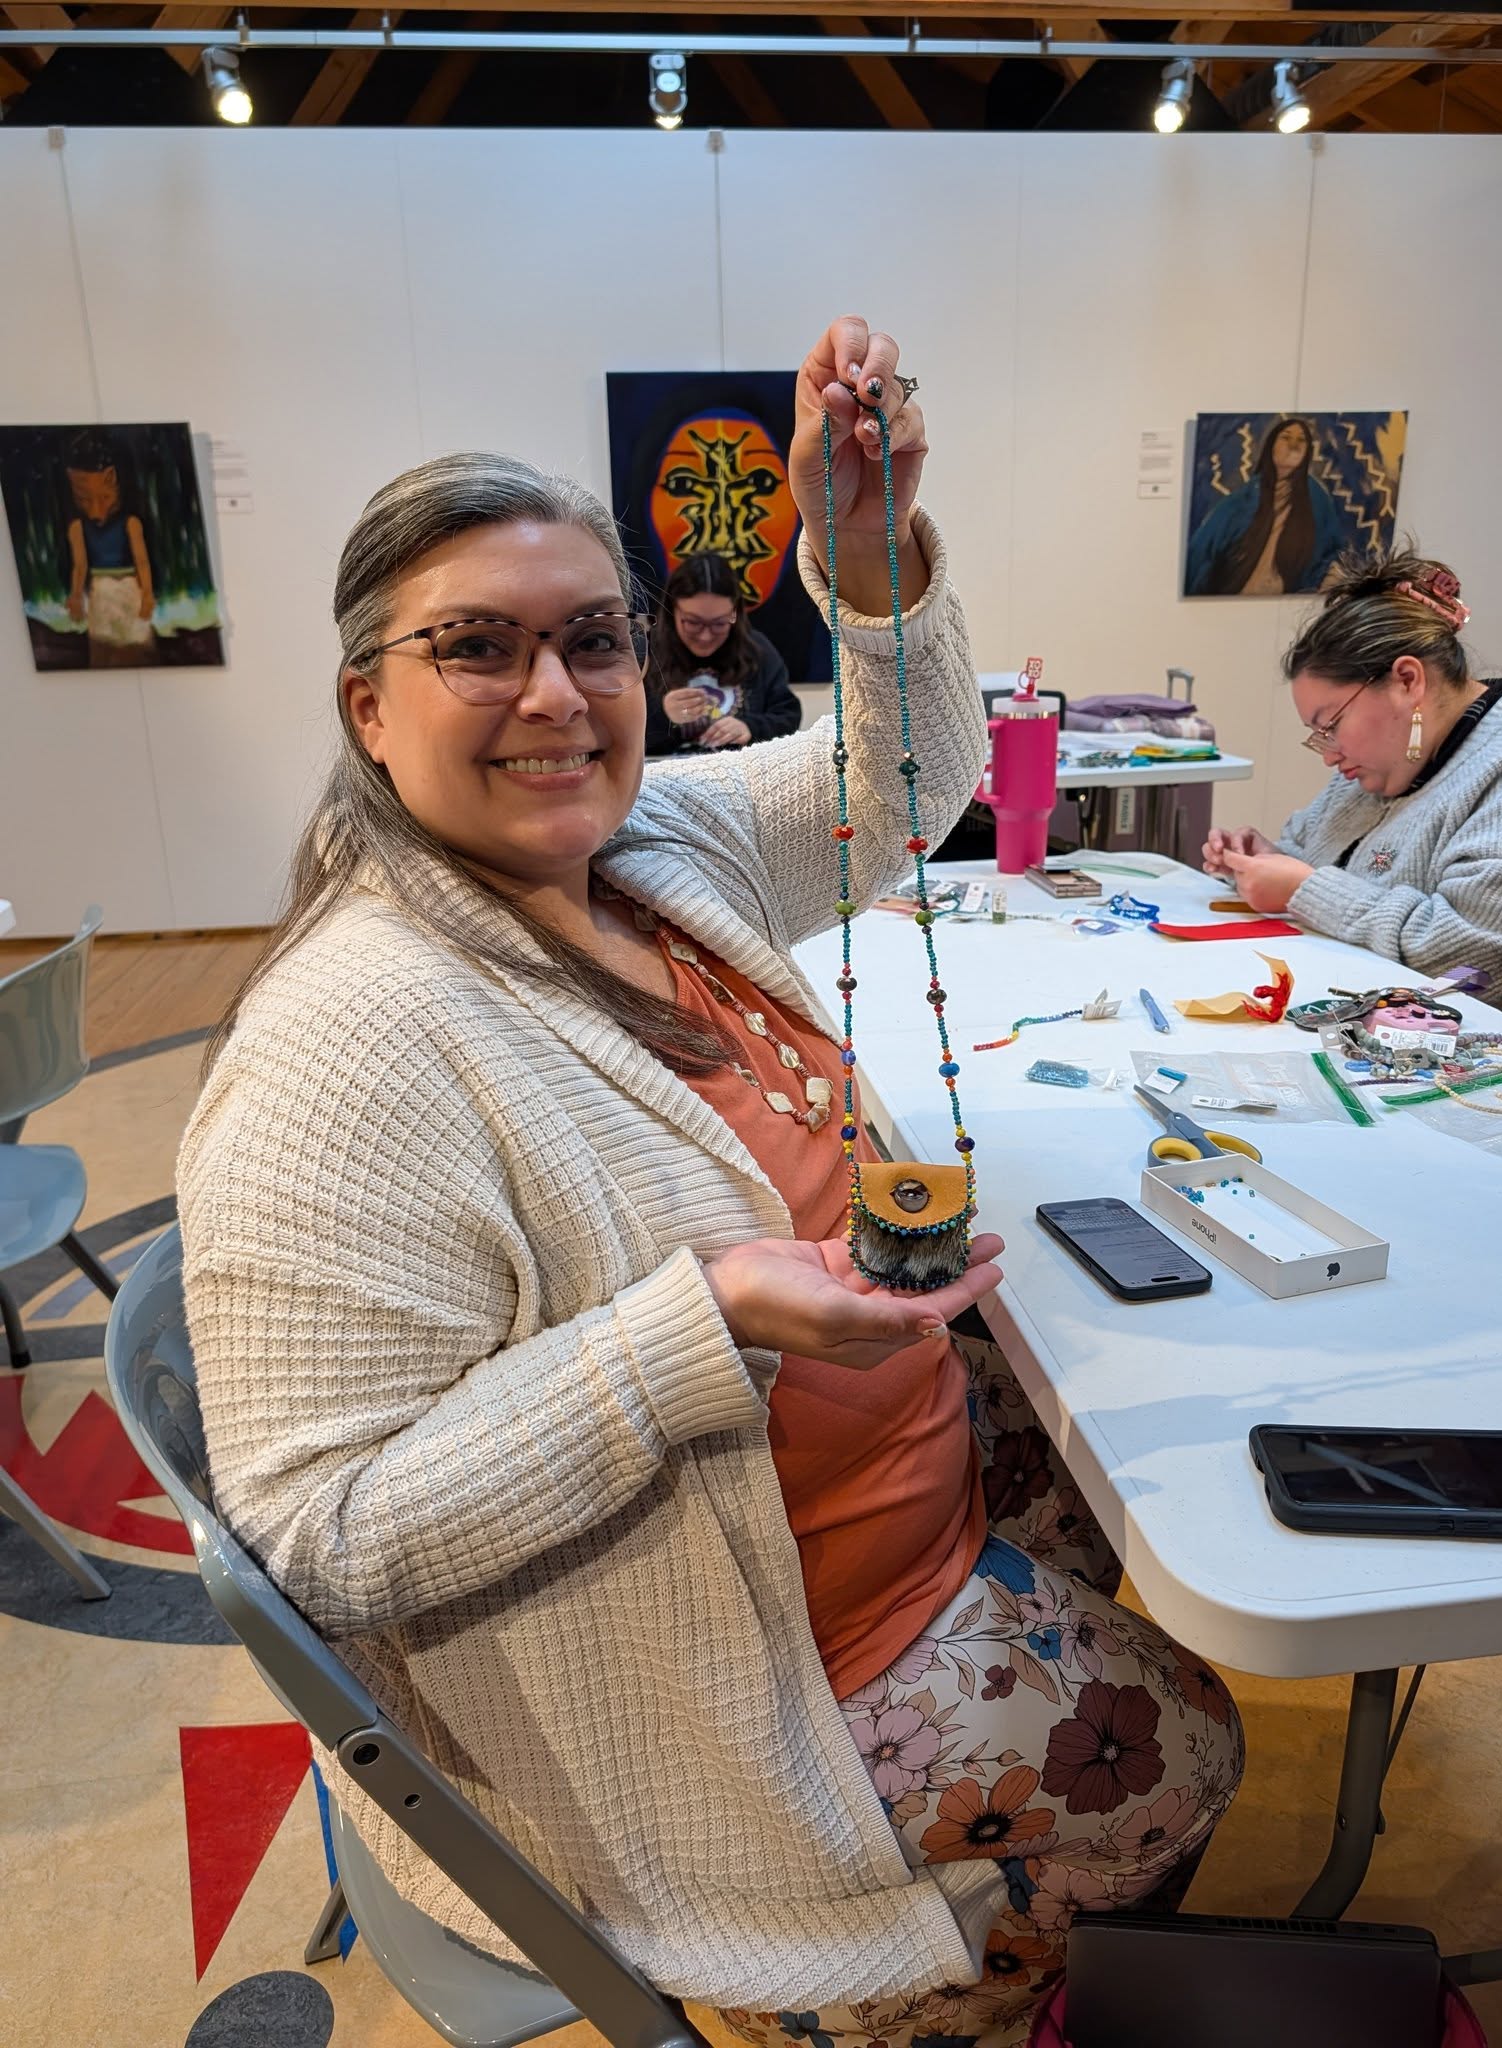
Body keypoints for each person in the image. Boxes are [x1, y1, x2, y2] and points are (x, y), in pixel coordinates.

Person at [179, 315, 1242, 2047]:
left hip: (834, 1497)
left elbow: (907, 780)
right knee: (1185, 1742)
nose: (553, 693)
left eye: (589, 639)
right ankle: (905, 1988)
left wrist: (870, 544)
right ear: (367, 703)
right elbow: (325, 1537)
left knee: (1141, 1492)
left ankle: (997, 1933)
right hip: (707, 1660)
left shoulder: (645, 841)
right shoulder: (343, 1045)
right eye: (477, 647)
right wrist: (710, 1319)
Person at [1205, 548, 1502, 1020]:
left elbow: (1481, 965)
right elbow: (1319, 861)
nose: (1329, 753)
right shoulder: (1385, 760)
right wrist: (1268, 860)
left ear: (1407, 680)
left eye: (1332, 724)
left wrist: (1304, 889)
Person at [645, 549, 803, 756]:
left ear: (735, 612)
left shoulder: (756, 649)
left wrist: (751, 728)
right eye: (693, 622)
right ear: (672, 610)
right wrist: (663, 715)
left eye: (719, 623)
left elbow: (788, 715)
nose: (705, 636)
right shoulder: (645, 651)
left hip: (742, 777)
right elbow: (621, 736)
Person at [1185, 416, 1345, 598]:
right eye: (1286, 437)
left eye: (1301, 440)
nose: (1294, 444)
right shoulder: (1245, 497)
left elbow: (1334, 548)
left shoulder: (1316, 497)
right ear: (1271, 446)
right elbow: (1204, 548)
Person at [62, 431, 157, 666]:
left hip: (129, 593)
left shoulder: (131, 524)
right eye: (83, 499)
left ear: (115, 479)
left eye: (104, 497)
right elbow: (80, 565)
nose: (95, 512)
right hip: (100, 597)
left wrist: (146, 594)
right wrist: (75, 596)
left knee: (137, 651)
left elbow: (142, 562)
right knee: (101, 652)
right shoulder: (77, 528)